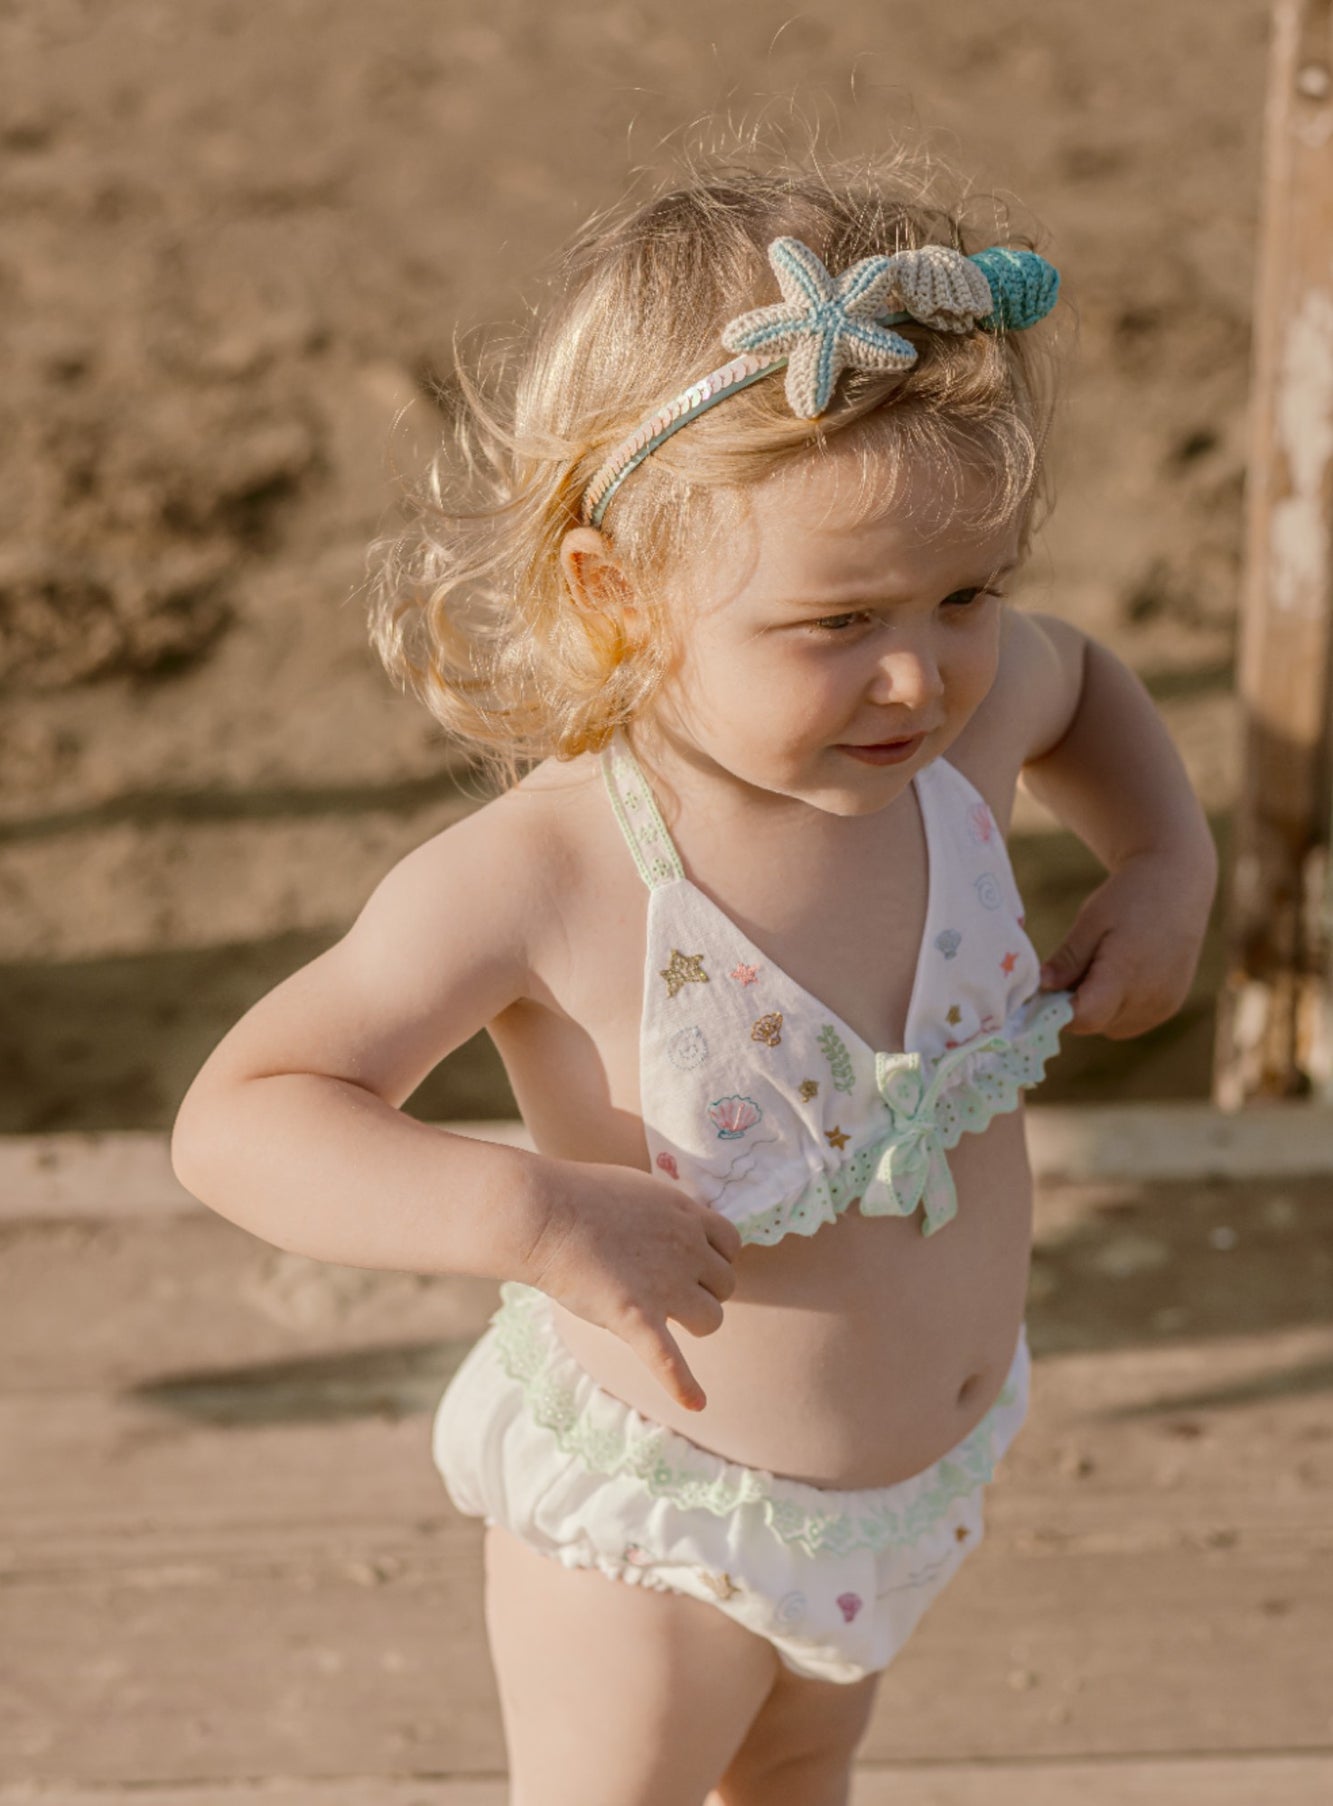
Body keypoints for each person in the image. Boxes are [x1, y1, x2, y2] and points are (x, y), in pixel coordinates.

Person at [170, 142, 1218, 1806]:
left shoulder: (954, 737)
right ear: (618, 596)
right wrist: (527, 1215)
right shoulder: (553, 870)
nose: (920, 670)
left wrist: (1166, 861)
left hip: (903, 1492)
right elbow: (243, 1114)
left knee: (801, 1764)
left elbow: (1080, 681)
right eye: (833, 622)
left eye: (966, 591)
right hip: (668, 1512)